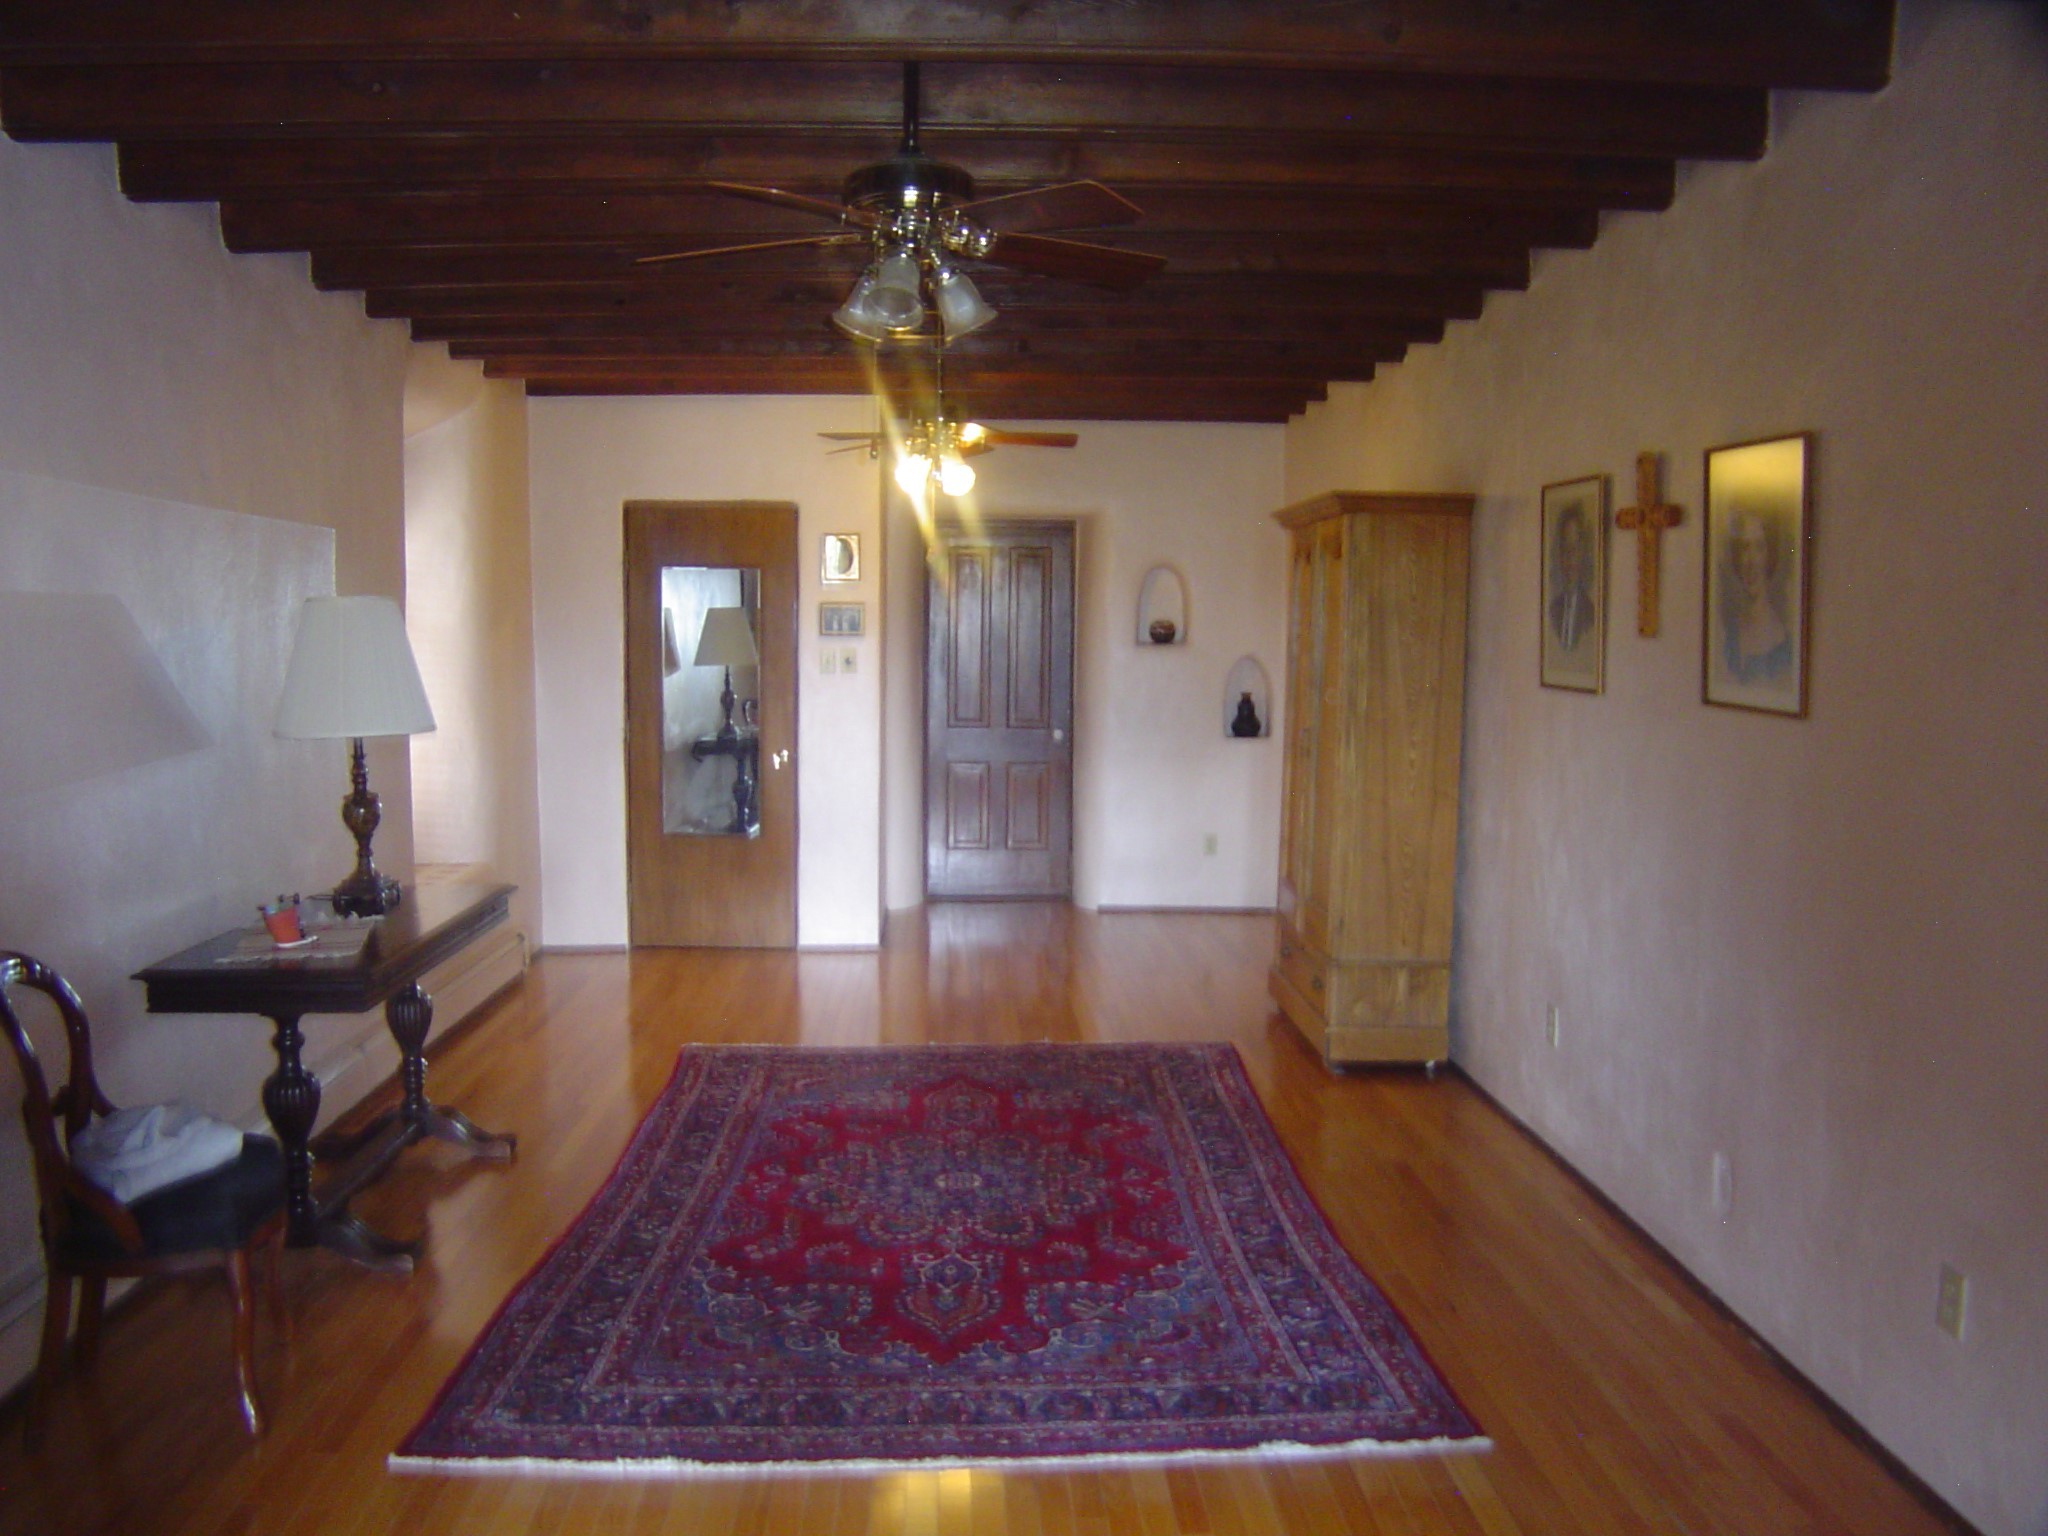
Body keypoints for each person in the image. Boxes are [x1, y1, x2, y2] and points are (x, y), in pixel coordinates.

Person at [1720, 511, 1793, 682]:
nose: (1750, 561)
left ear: (1770, 556)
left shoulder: (1781, 640)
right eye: (1745, 547)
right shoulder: (1730, 634)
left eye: (1759, 548)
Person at [1547, 502, 1596, 655]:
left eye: (1574, 549)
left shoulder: (1590, 611)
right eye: (1565, 550)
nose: (1570, 559)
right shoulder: (1554, 609)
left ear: (1583, 552)